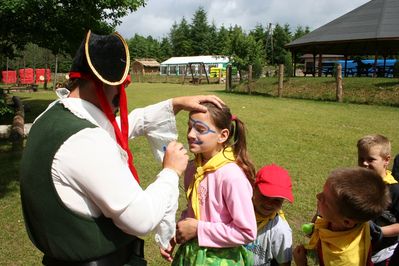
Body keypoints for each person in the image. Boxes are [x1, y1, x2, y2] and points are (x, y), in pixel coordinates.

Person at [19, 30, 224, 266]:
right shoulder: (86, 140)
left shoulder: (52, 116)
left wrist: (173, 104)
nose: (121, 94)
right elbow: (141, 219)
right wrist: (170, 172)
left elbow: (116, 127)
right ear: (105, 84)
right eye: (120, 86)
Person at [160, 102, 257, 265]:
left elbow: (246, 232)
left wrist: (198, 229)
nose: (190, 134)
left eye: (200, 129)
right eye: (189, 127)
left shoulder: (232, 177)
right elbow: (194, 209)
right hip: (191, 255)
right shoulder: (192, 168)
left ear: (223, 135)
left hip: (221, 259)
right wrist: (177, 233)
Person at [293, 167, 390, 266]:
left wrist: (302, 264)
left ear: (347, 222)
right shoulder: (351, 221)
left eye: (326, 200)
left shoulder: (342, 260)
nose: (318, 196)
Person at [357, 134, 399, 265]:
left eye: (371, 159)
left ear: (386, 160)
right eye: (361, 158)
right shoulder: (356, 182)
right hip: (357, 246)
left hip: (381, 253)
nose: (364, 163)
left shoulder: (394, 190)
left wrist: (379, 231)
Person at [245, 164, 294, 266]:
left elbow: (284, 263)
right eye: (265, 195)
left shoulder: (281, 231)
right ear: (254, 188)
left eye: (277, 200)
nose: (269, 203)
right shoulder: (237, 211)